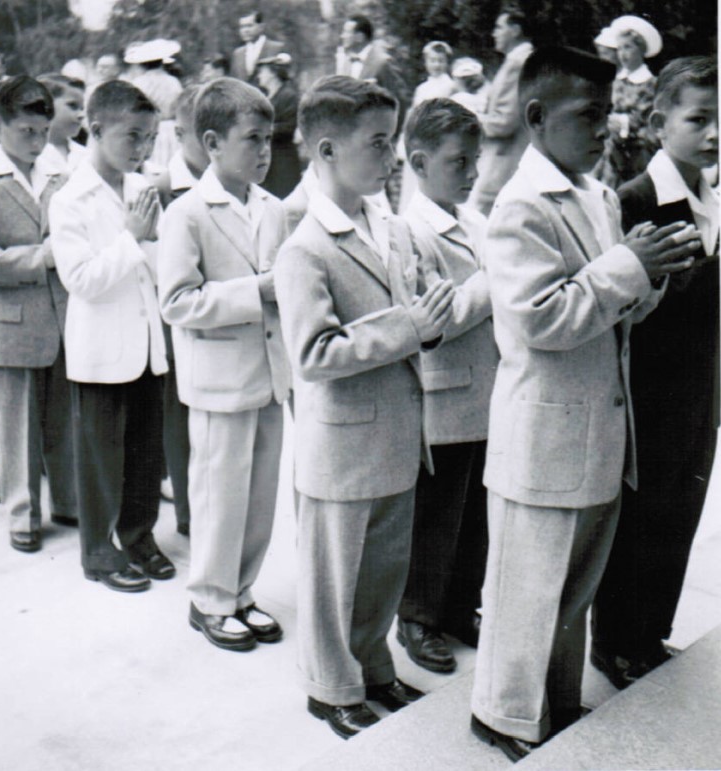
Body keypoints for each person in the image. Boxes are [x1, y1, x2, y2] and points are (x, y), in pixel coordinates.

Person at [469, 46, 701, 761]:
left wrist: (649, 273)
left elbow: (611, 310)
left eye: (607, 114)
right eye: (587, 115)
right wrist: (628, 265)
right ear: (537, 116)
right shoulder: (519, 207)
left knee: (569, 590)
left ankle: (551, 702)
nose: (603, 130)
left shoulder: (596, 195)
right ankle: (503, 714)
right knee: (526, 589)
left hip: (597, 432)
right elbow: (540, 318)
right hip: (542, 437)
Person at [275, 75, 454, 739]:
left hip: (397, 432)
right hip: (342, 444)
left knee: (382, 569)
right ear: (326, 150)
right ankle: (330, 687)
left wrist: (429, 321)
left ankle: (373, 666)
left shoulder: (389, 226)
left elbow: (419, 309)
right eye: (377, 143)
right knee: (333, 579)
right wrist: (409, 326)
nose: (393, 156)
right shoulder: (305, 246)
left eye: (392, 140)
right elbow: (314, 353)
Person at [592, 56, 719, 690]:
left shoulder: (712, 201)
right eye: (699, 119)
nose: (714, 133)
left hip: (703, 387)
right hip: (651, 388)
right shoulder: (635, 200)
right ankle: (615, 641)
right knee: (641, 516)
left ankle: (650, 634)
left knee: (682, 511)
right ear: (657, 123)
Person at [158, 77, 290, 651]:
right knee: (219, 494)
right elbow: (177, 301)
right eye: (251, 139)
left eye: (269, 139)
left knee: (259, 495)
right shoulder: (187, 213)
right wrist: (256, 291)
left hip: (269, 373)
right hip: (218, 380)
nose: (264, 151)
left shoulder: (274, 208)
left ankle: (241, 590)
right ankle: (210, 598)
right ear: (211, 143)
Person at [48, 80, 174, 592]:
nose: (142, 149)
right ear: (96, 130)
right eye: (132, 136)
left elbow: (158, 265)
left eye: (149, 138)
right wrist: (132, 239)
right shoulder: (69, 199)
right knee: (101, 455)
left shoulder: (141, 189)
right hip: (100, 347)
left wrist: (150, 245)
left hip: (144, 342)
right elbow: (81, 280)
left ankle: (139, 535)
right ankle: (98, 552)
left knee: (146, 451)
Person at [396, 99, 497, 673]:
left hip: (486, 390)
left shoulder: (476, 222)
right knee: (435, 515)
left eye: (476, 160)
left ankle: (461, 607)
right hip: (445, 395)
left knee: (475, 515)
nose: (473, 172)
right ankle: (418, 616)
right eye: (459, 162)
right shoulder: (408, 231)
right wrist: (496, 275)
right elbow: (442, 317)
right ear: (419, 163)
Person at [0, 76, 78, 548]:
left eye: (43, 132)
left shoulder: (60, 178)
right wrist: (40, 258)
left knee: (63, 420)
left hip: (63, 319)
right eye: (26, 131)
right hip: (12, 323)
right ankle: (23, 516)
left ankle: (68, 501)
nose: (36, 141)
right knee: (16, 427)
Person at [152, 84, 209, 538]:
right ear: (179, 133)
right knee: (179, 410)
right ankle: (188, 510)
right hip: (176, 314)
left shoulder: (233, 180)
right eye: (200, 135)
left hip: (217, 316)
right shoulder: (160, 187)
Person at [468, 5, 534, 217]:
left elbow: (504, 122)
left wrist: (470, 119)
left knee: (484, 217)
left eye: (499, 27)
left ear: (515, 30)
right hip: (507, 158)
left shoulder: (518, 63)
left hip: (504, 160)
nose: (494, 33)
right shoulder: (519, 60)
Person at [594, 15, 662, 189]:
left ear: (641, 50)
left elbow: (645, 121)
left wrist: (620, 123)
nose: (622, 54)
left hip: (636, 153)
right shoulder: (616, 81)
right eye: (620, 48)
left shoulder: (651, 84)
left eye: (628, 47)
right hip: (609, 149)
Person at [397, 41, 455, 212]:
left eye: (441, 61)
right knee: (413, 179)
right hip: (419, 138)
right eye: (432, 60)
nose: (436, 65)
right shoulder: (422, 88)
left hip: (437, 138)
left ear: (447, 63)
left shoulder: (450, 87)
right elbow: (413, 113)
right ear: (426, 62)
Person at [336, 14, 409, 124]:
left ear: (359, 37)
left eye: (346, 32)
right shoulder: (346, 63)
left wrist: (392, 133)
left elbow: (399, 101)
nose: (342, 36)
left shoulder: (382, 63)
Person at [125, 39, 183, 167]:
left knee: (152, 165)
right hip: (170, 130)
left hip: (149, 129)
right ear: (162, 62)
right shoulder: (174, 82)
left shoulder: (139, 83)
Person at [255, 53, 300, 198]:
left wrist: (262, 130)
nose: (259, 76)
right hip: (269, 159)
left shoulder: (289, 96)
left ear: (273, 73)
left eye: (262, 72)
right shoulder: (266, 97)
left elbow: (289, 127)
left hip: (283, 161)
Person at [37, 74, 87, 174]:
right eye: (72, 106)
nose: (81, 115)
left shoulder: (85, 155)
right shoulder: (29, 154)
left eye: (82, 108)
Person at [230, 11, 285, 83]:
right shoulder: (238, 54)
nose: (245, 30)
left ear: (261, 27)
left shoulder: (276, 49)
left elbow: (283, 80)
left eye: (249, 26)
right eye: (242, 27)